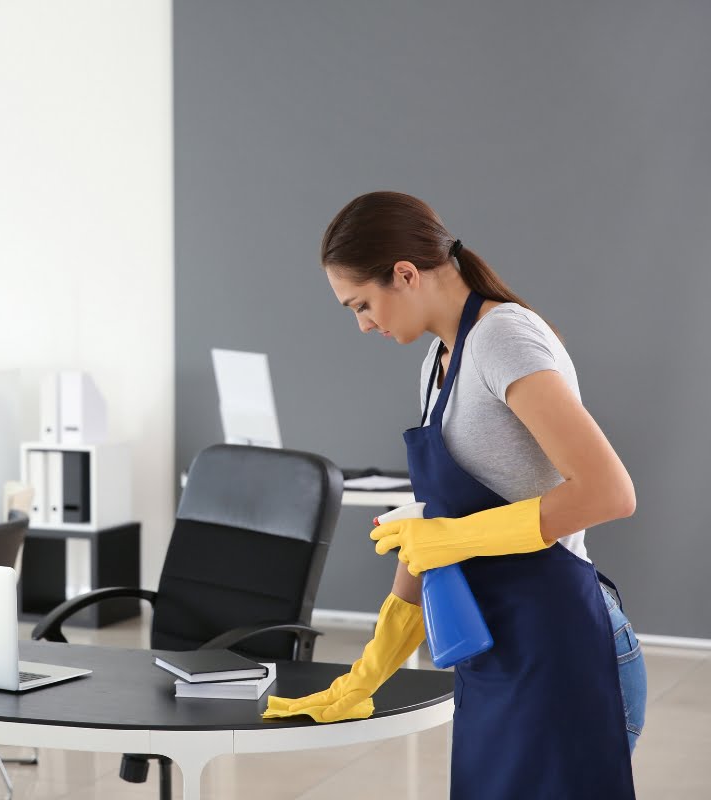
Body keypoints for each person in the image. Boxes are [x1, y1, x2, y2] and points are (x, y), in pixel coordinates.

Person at [264, 191, 645, 798]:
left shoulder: (504, 340)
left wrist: (451, 536)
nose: (363, 323)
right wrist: (366, 675)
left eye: (361, 304)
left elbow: (608, 492)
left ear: (405, 274)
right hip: (496, 654)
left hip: (561, 652)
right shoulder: (440, 362)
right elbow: (436, 533)